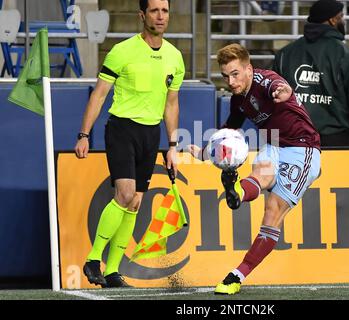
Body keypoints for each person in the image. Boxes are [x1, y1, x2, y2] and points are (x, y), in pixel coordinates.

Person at [188, 44, 321, 295]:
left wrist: (285, 91)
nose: (231, 81)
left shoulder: (265, 80)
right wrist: (205, 153)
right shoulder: (238, 100)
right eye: (226, 76)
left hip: (303, 149)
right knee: (260, 174)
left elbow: (278, 86)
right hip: (274, 144)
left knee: (272, 215)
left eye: (236, 74)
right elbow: (228, 133)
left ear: (249, 69)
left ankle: (236, 275)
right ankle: (236, 191)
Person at [74, 0, 184, 288]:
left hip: (151, 135)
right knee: (124, 194)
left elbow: (171, 104)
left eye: (165, 11)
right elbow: (98, 95)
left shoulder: (175, 57)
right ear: (141, 15)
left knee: (135, 203)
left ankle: (112, 271)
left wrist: (172, 145)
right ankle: (93, 258)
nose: (160, 16)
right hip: (122, 129)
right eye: (154, 11)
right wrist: (84, 135)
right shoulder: (122, 51)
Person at [273, 0, 349, 146]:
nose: (344, 21)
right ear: (333, 20)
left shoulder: (284, 54)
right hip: (336, 141)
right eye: (342, 16)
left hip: (293, 141)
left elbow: (270, 99)